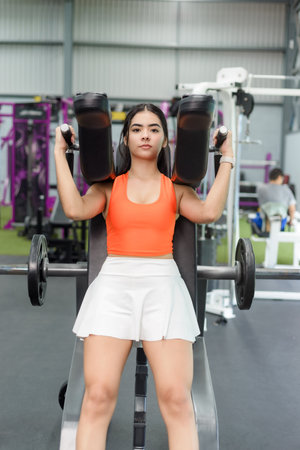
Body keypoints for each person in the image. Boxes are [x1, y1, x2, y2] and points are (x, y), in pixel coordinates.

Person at [54, 103, 234, 450]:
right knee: (98, 396)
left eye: (153, 129)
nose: (145, 135)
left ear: (165, 140)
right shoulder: (107, 189)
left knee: (176, 399)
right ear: (125, 139)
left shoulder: (177, 190)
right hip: (113, 288)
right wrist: (59, 152)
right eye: (136, 129)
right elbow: (75, 209)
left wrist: (227, 157)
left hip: (162, 288)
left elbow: (209, 212)